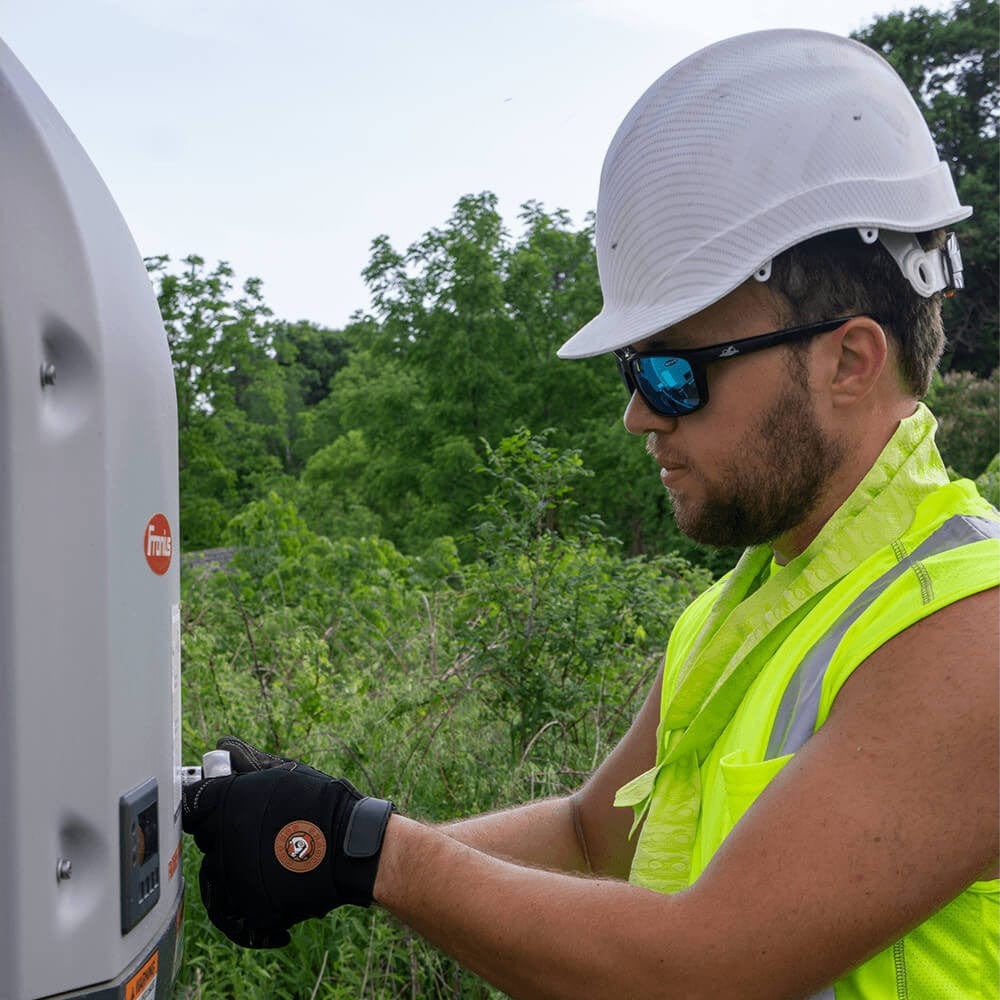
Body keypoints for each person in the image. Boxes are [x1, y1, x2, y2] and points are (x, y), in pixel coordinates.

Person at [182, 29, 999, 1000]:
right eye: (632, 368)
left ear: (847, 362)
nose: (637, 411)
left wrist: (369, 852)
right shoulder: (741, 613)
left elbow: (704, 966)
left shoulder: (967, 630)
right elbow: (588, 838)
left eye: (672, 370)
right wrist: (328, 843)